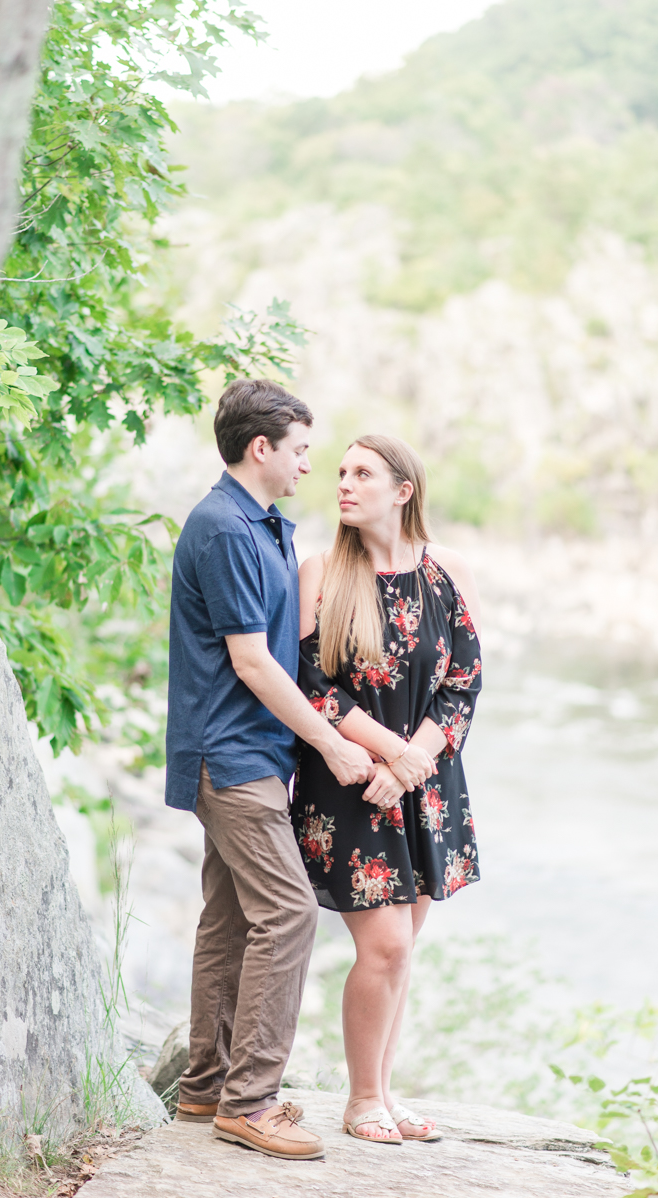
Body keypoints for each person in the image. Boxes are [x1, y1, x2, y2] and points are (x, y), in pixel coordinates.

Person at [164, 379, 375, 1161]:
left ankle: (206, 1086)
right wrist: (330, 742)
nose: (308, 467)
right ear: (263, 448)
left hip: (252, 756)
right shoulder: (223, 528)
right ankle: (250, 1102)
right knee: (288, 914)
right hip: (232, 757)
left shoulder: (266, 527)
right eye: (300, 451)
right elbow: (252, 663)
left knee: (228, 919)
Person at [292, 434, 483, 1145]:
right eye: (339, 471)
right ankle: (362, 1098)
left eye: (362, 473)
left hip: (425, 784)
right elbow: (313, 686)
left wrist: (413, 763)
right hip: (351, 782)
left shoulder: (446, 573)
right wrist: (391, 756)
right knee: (387, 948)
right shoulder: (322, 574)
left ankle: (385, 1089)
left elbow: (464, 681)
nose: (343, 483)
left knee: (406, 944)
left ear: (403, 490)